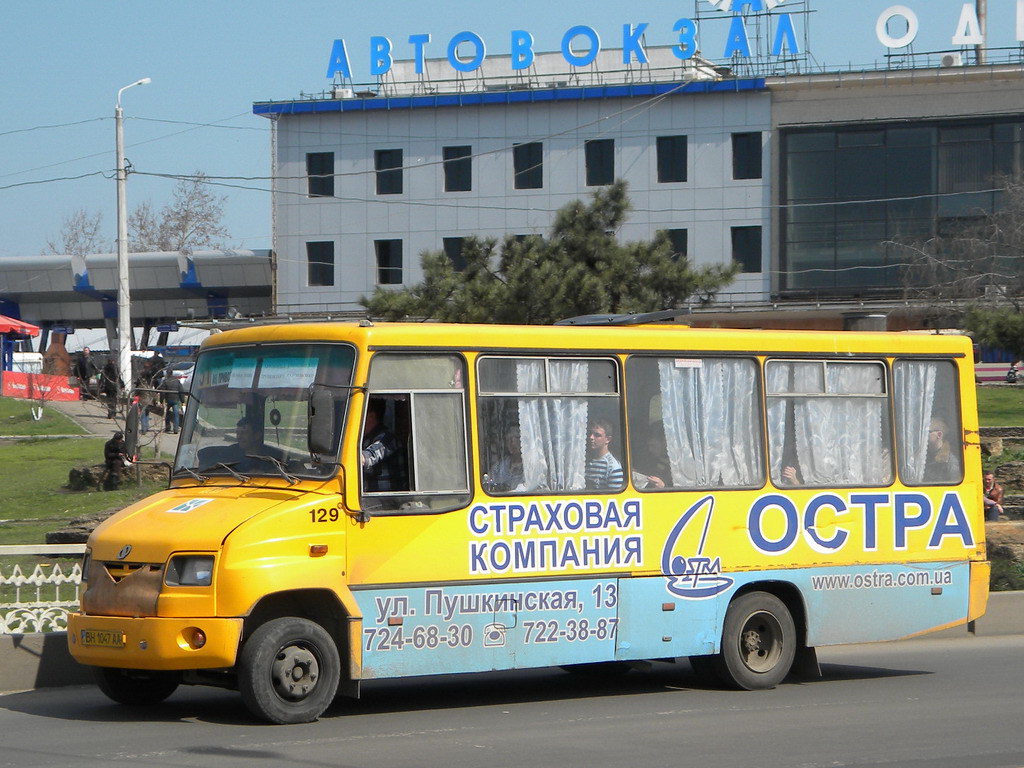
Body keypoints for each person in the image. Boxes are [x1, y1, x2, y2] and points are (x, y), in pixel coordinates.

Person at [361, 398, 404, 492]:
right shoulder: (365, 439)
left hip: (388, 501)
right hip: (369, 500)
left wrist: (357, 457)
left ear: (371, 417)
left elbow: (371, 455)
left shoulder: (387, 438)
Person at [586, 420, 624, 491]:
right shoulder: (584, 460)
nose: (591, 437)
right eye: (590, 433)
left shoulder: (612, 467)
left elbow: (615, 498)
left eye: (597, 435)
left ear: (608, 439)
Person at [923, 417, 957, 483]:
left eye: (928, 432)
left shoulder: (949, 462)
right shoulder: (922, 456)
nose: (923, 435)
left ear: (939, 434)